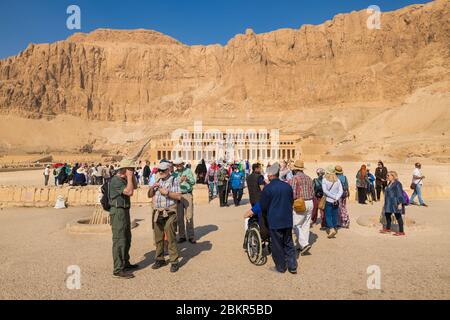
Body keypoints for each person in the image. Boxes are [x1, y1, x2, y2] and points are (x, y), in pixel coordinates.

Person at [259, 162, 297, 274]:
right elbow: (291, 201)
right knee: (289, 243)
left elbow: (264, 206)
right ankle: (292, 266)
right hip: (287, 219)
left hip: (275, 220)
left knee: (277, 244)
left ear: (271, 175)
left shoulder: (267, 188)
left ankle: (280, 267)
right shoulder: (287, 186)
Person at [148, 162, 183, 273]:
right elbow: (149, 195)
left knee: (171, 237)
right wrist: (152, 188)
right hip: (158, 212)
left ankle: (174, 261)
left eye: (163, 170)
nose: (161, 172)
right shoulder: (158, 181)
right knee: (158, 238)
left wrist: (166, 192)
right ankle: (159, 259)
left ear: (168, 170)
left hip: (170, 212)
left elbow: (178, 196)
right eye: (159, 170)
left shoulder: (174, 180)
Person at [109, 158, 138, 279]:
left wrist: (131, 177)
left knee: (127, 238)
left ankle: (125, 262)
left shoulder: (123, 179)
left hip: (125, 211)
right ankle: (118, 269)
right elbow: (129, 192)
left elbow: (135, 187)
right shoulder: (116, 181)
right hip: (118, 211)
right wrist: (129, 177)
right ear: (124, 169)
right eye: (130, 169)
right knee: (119, 240)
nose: (132, 171)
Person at [289, 160, 314, 256]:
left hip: (300, 202)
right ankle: (302, 245)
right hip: (310, 202)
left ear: (295, 169)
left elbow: (293, 193)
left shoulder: (294, 178)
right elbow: (313, 192)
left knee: (295, 225)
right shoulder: (308, 178)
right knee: (305, 224)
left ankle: (304, 244)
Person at [173, 158, 196, 244]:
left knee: (189, 216)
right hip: (178, 195)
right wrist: (180, 181)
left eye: (179, 164)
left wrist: (188, 180)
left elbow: (193, 182)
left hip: (187, 194)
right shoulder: (174, 173)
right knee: (179, 217)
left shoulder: (188, 171)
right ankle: (182, 235)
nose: (178, 166)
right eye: (177, 165)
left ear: (182, 164)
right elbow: (173, 185)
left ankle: (191, 236)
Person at [380, 171, 406, 236]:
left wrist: (400, 203)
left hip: (395, 202)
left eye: (388, 175)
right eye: (387, 175)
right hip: (389, 202)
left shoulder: (398, 184)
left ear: (393, 176)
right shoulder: (389, 183)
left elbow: (400, 194)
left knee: (398, 216)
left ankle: (401, 231)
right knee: (387, 215)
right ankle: (388, 229)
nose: (387, 177)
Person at [322, 166, 343, 239]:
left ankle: (331, 229)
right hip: (336, 201)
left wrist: (333, 197)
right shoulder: (337, 179)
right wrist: (336, 197)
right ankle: (334, 227)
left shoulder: (324, 179)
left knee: (328, 215)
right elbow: (341, 190)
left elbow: (325, 191)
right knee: (334, 215)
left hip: (329, 200)